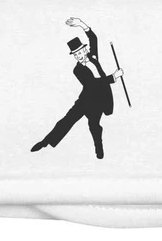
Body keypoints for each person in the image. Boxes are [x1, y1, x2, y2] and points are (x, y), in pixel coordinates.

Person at [31, 17, 123, 159]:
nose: (78, 56)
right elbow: (92, 84)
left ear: (85, 50)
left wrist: (81, 24)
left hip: (99, 101)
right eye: (75, 55)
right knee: (67, 120)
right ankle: (46, 142)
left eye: (80, 52)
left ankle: (99, 151)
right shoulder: (77, 70)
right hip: (85, 101)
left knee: (94, 126)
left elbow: (93, 38)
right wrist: (113, 77)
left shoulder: (93, 57)